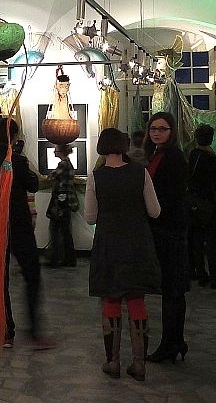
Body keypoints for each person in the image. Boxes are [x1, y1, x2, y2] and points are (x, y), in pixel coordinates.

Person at [0, 118, 55, 349]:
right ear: (15, 137)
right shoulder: (17, 160)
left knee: (0, 278)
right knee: (32, 275)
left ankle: (6, 332)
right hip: (19, 225)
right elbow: (33, 185)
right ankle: (34, 332)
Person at [86, 128, 161, 381]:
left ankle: (113, 361)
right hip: (138, 243)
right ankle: (139, 363)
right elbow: (155, 211)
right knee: (136, 299)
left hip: (108, 244)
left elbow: (90, 217)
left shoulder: (96, 177)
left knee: (111, 298)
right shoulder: (140, 172)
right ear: (123, 146)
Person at [142, 112, 190, 364]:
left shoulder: (172, 157)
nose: (157, 133)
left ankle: (171, 343)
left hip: (169, 229)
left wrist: (154, 213)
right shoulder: (157, 155)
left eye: (162, 129)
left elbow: (170, 195)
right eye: (153, 129)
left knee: (172, 289)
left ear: (172, 132)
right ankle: (174, 341)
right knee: (171, 290)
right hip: (163, 228)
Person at [188, 124, 216, 289]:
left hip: (195, 203)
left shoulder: (193, 154)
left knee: (197, 240)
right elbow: (215, 181)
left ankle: (201, 273)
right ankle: (215, 276)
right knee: (212, 242)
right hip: (208, 202)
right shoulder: (210, 157)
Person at [46, 143, 78, 268]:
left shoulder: (63, 164)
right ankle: (69, 259)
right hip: (67, 201)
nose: (54, 152)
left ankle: (55, 258)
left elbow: (51, 176)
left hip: (61, 202)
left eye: (56, 150)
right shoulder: (68, 163)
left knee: (56, 230)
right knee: (65, 231)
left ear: (61, 152)